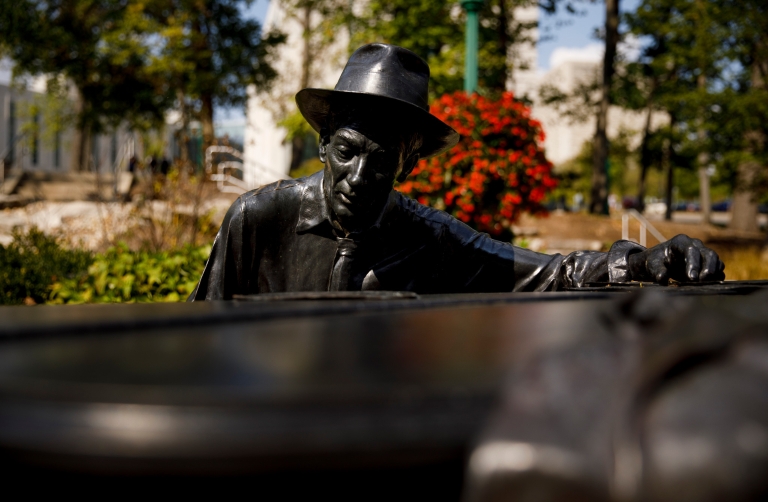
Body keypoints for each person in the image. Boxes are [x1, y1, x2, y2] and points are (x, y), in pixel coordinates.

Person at [189, 43, 724, 300]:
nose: (358, 178)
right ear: (324, 144)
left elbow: (548, 272)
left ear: (409, 164)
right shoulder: (257, 218)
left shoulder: (432, 238)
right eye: (348, 152)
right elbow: (200, 335)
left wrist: (649, 259)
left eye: (382, 163)